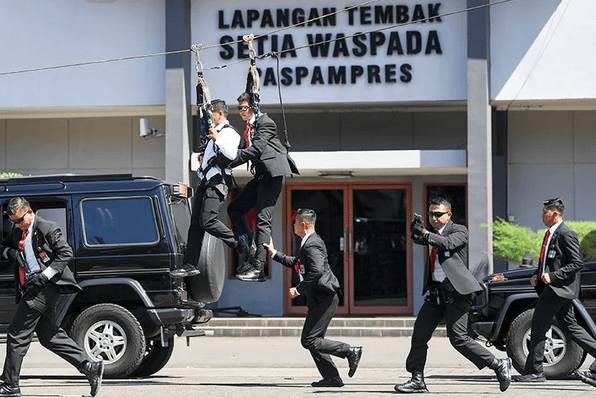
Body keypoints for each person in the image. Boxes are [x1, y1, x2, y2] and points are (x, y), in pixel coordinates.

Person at [394, 197, 511, 394]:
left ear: (449, 215)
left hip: (458, 294)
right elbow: (421, 239)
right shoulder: (433, 233)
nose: (433, 218)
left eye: (438, 214)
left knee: (459, 339)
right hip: (436, 294)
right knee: (419, 335)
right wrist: (416, 230)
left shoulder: (459, 231)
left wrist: (425, 233)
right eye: (431, 214)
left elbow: (447, 244)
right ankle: (417, 378)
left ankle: (497, 364)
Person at [0, 197, 103, 397]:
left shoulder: (47, 227)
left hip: (46, 287)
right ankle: (89, 366)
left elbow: (66, 253)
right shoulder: (16, 231)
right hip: (29, 287)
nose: (17, 224)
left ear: (29, 212)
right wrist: (11, 252)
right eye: (13, 221)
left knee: (17, 333)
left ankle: (10, 385)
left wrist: (44, 275)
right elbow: (2, 247)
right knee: (49, 336)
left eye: (20, 220)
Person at [264, 208, 362, 387]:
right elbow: (297, 263)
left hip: (325, 297)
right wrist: (274, 253)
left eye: (295, 223)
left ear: (303, 224)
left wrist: (299, 289)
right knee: (314, 340)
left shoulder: (312, 244)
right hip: (319, 297)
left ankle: (350, 351)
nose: (293, 226)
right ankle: (332, 377)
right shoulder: (308, 243)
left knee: (309, 340)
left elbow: (316, 271)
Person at [514, 198, 596, 387]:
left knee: (539, 324)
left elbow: (577, 263)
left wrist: (554, 276)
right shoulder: (550, 234)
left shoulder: (566, 234)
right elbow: (548, 262)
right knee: (571, 327)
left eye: (545, 212)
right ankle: (534, 371)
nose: (542, 216)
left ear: (556, 213)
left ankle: (535, 372)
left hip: (558, 289)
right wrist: (537, 274)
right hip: (555, 289)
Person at [170, 99, 249, 278]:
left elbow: (230, 154)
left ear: (220, 114)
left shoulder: (229, 134)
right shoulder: (214, 133)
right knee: (196, 225)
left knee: (207, 221)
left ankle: (238, 241)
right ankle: (190, 263)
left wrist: (217, 139)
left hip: (218, 181)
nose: (209, 118)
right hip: (206, 181)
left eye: (211, 114)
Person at [228, 92, 299, 282]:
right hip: (261, 176)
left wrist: (228, 162)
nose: (241, 112)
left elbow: (256, 149)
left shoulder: (266, 123)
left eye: (244, 107)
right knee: (234, 208)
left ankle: (259, 268)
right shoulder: (249, 127)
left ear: (254, 106)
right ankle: (250, 249)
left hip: (272, 176)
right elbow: (240, 149)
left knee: (262, 220)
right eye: (239, 108)